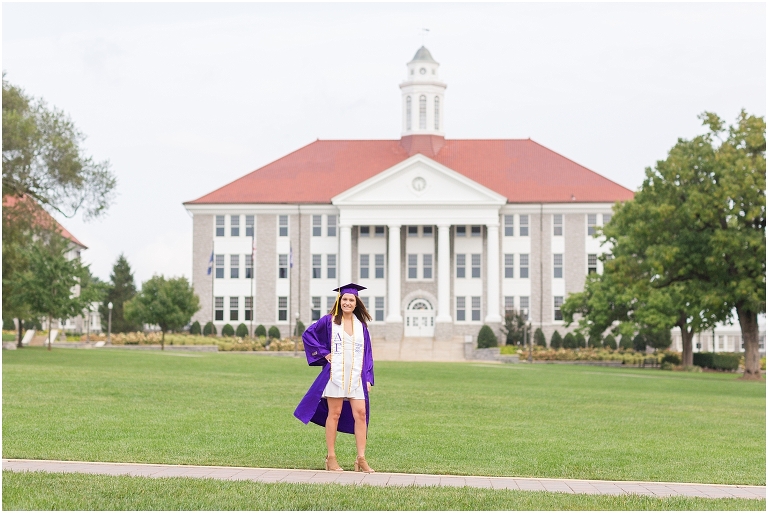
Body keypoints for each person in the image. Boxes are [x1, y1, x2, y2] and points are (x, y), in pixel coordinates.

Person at [294, 283, 375, 473]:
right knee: (335, 413)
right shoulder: (329, 321)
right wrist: (324, 353)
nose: (347, 303)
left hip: (356, 375)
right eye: (344, 299)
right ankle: (331, 457)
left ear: (356, 303)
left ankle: (361, 458)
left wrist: (368, 377)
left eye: (351, 300)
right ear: (339, 301)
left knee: (361, 414)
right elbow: (308, 335)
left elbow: (367, 354)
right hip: (335, 375)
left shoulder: (361, 326)